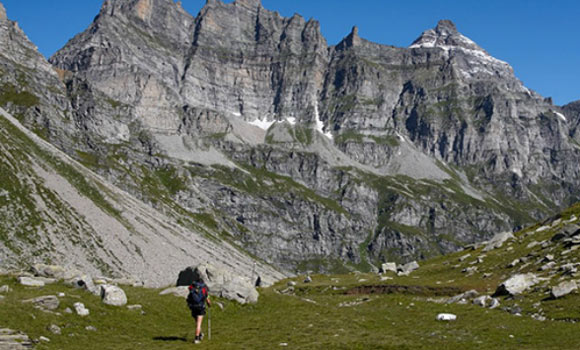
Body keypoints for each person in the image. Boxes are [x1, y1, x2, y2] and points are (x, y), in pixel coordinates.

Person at [187, 280, 211, 344]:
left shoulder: (193, 288)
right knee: (198, 324)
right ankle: (197, 338)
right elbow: (208, 300)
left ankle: (200, 334)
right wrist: (209, 305)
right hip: (200, 307)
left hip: (193, 307)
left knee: (197, 322)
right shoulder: (203, 289)